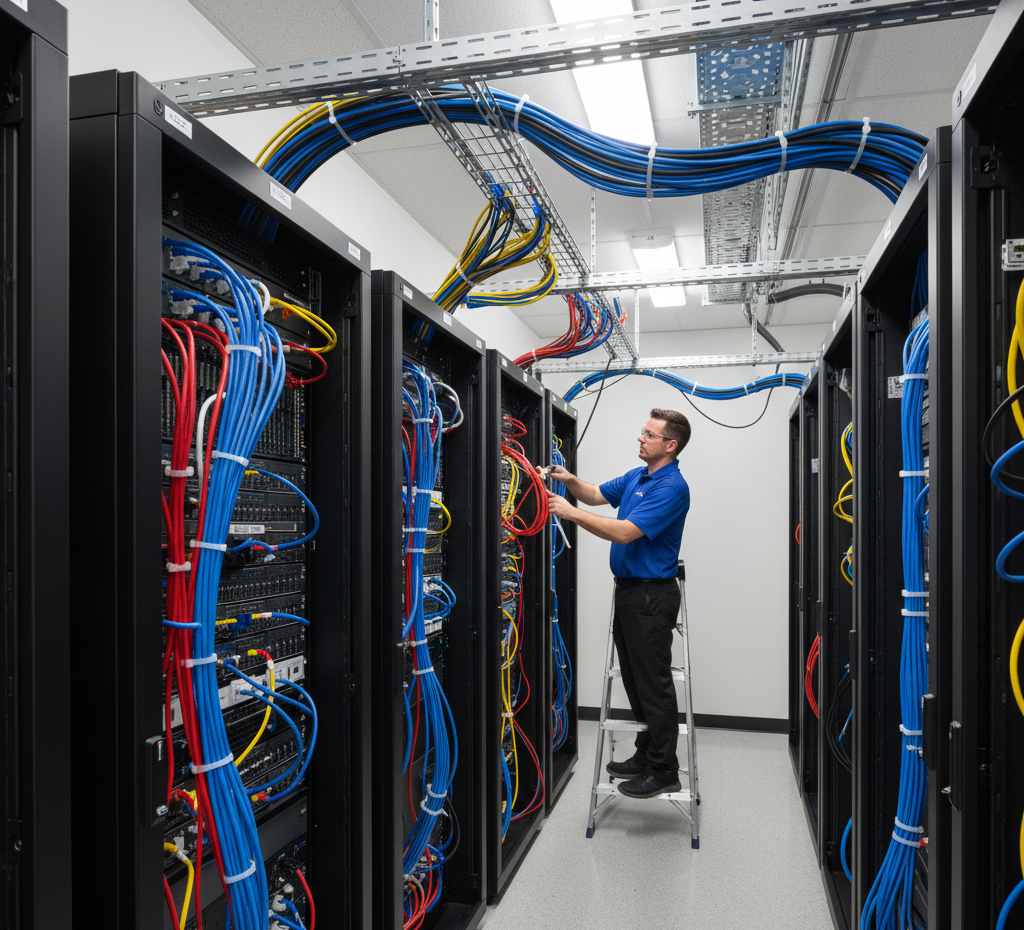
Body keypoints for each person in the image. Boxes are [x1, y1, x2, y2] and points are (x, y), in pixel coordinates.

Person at [546, 408, 691, 798]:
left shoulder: (671, 487)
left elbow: (626, 533)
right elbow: (594, 494)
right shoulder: (637, 476)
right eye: (642, 431)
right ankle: (646, 755)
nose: (640, 438)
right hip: (628, 592)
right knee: (635, 681)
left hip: (651, 595)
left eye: (649, 434)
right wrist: (570, 481)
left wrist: (570, 513)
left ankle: (664, 770)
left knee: (654, 684)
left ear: (670, 445)